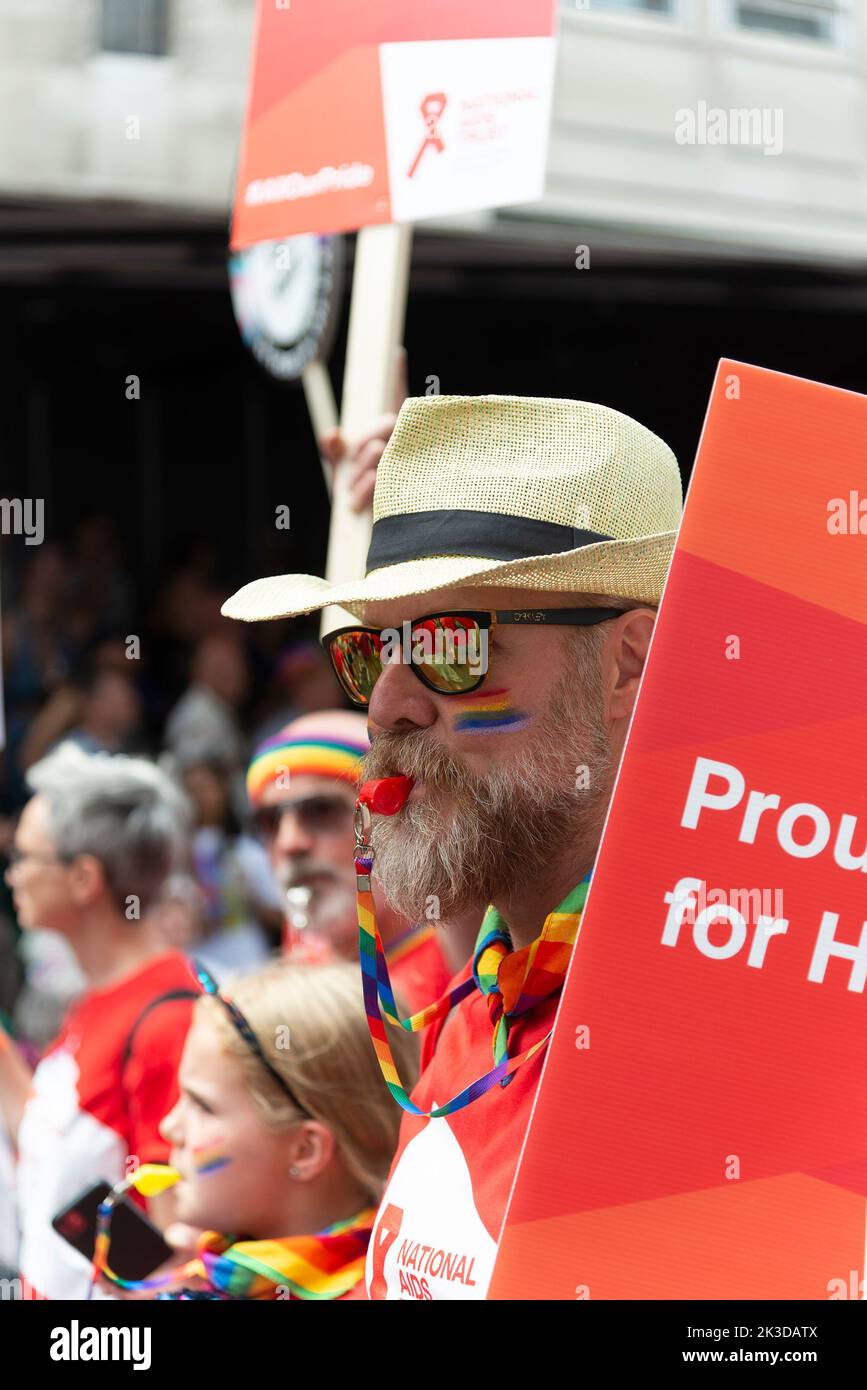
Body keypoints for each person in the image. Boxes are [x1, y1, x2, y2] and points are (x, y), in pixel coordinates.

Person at [222, 392, 682, 1299]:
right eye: (372, 650)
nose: (385, 704)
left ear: (629, 663)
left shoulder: (701, 1033)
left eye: (452, 647)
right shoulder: (475, 1008)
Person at [0, 742, 197, 1299]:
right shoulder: (99, 998)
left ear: (84, 878)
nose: (11, 875)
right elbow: (48, 1140)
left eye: (23, 857)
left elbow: (172, 1260)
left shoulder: (168, 1021)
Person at [140, 958, 419, 1300]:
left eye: (203, 1106)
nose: (170, 1127)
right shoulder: (211, 1273)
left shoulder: (383, 1289)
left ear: (305, 1151)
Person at [246, 710, 471, 1009]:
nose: (289, 843)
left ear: (396, 819)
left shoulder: (467, 964)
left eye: (321, 811)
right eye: (270, 821)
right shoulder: (301, 948)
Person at [179, 752, 282, 978]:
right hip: (200, 967)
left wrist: (250, 897)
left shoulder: (246, 851)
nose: (198, 797)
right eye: (190, 789)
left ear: (222, 791)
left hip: (248, 964)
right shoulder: (175, 857)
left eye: (205, 788)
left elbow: (281, 917)